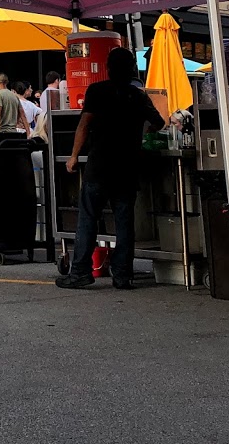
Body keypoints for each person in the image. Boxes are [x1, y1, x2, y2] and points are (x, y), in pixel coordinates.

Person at [56, 46, 164, 291]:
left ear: (108, 68)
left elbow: (84, 125)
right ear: (132, 70)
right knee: (124, 223)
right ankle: (123, 276)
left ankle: (81, 272)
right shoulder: (138, 96)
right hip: (127, 167)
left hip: (100, 165)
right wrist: (140, 132)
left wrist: (73, 156)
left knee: (88, 219)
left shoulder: (97, 90)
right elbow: (159, 122)